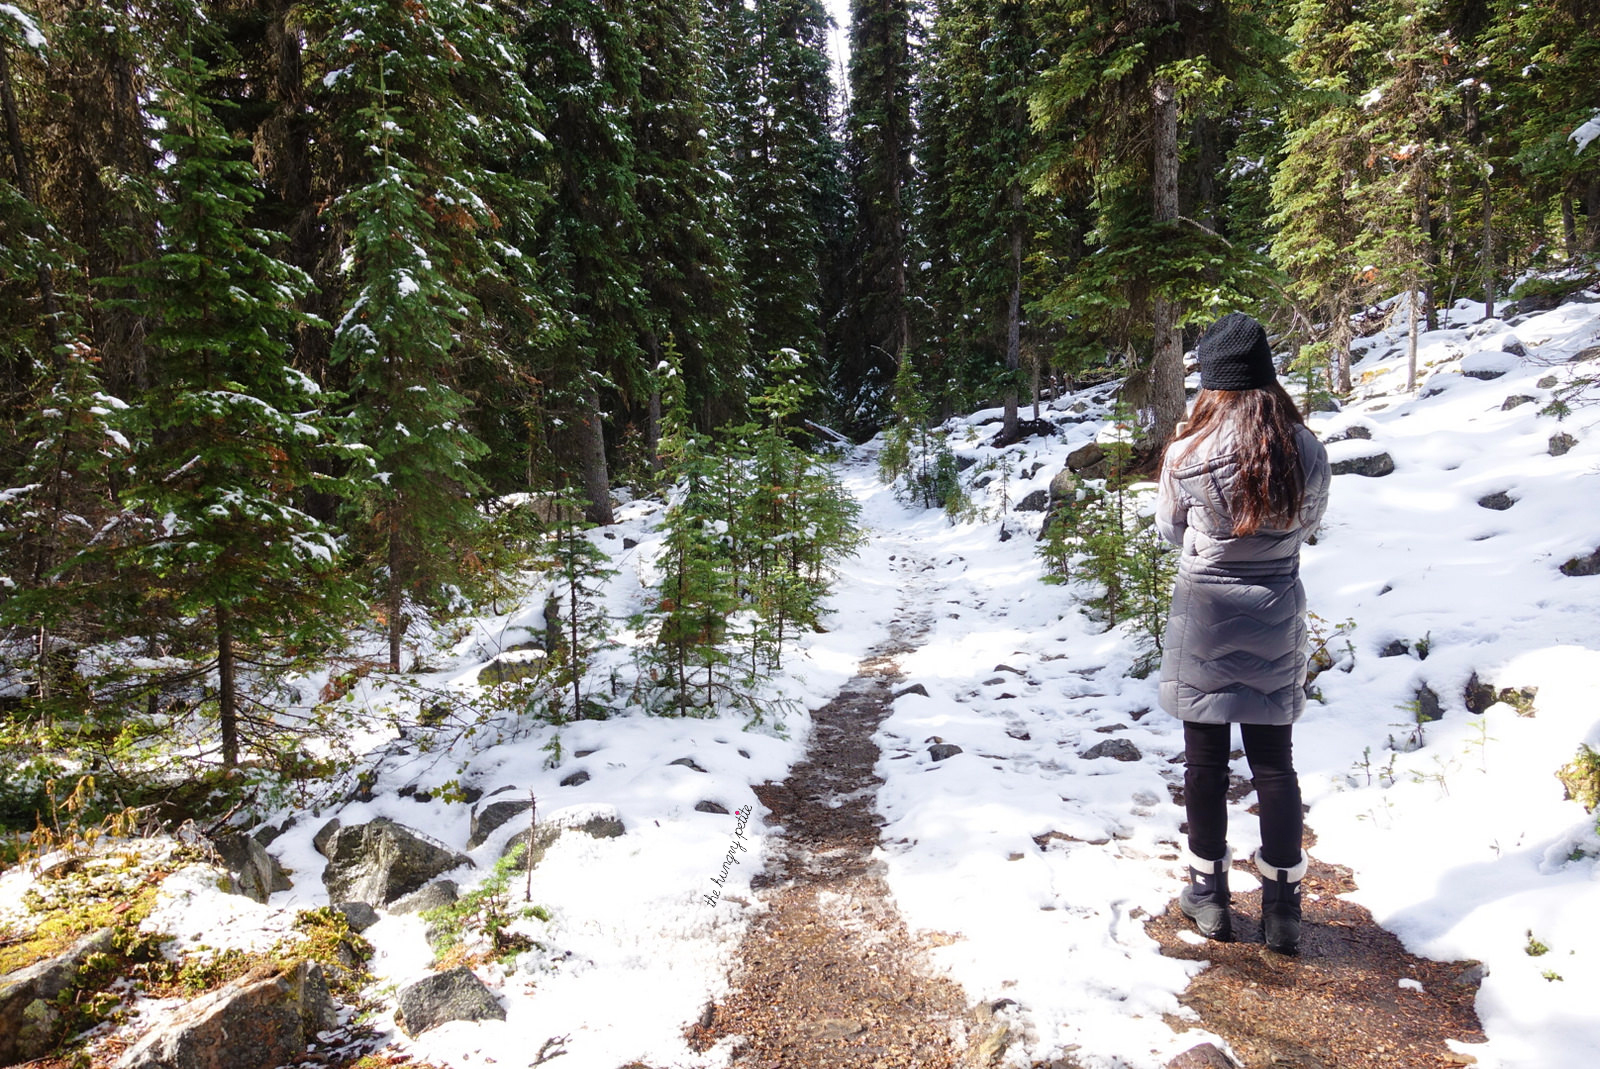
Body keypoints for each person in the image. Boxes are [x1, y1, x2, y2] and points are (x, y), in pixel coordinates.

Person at [1154, 312, 1331, 955]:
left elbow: (1172, 530)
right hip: (1277, 611)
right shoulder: (1304, 448)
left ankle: (1209, 896)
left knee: (1204, 763)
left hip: (1204, 617)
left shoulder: (1186, 451)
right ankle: (1283, 906)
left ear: (1211, 381)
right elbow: (1308, 524)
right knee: (1274, 765)